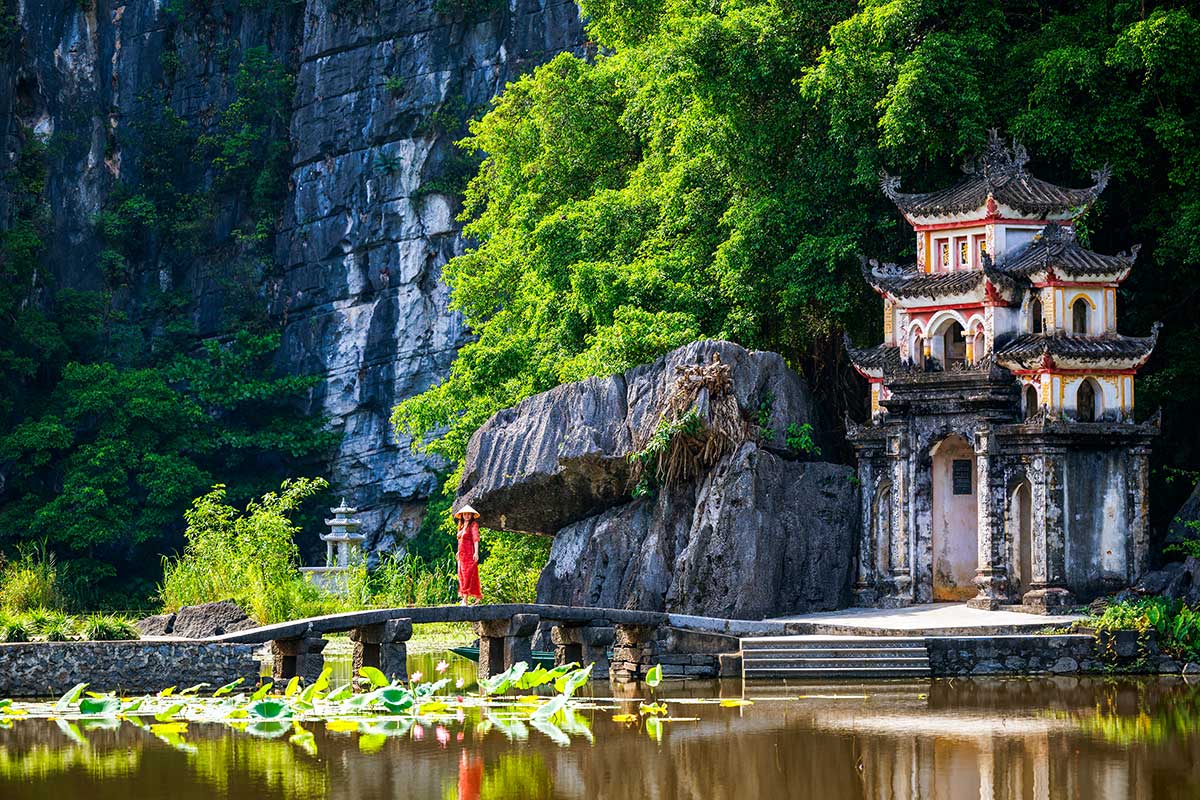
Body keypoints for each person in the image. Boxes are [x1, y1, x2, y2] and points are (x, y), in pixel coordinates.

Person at [453, 504, 483, 605]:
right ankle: (467, 598)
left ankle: (465, 599)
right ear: (462, 515)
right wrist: (458, 552)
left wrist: (476, 552)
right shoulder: (461, 525)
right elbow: (460, 541)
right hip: (461, 555)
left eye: (468, 514)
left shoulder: (473, 525)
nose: (466, 516)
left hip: (469, 553)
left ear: (471, 515)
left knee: (468, 575)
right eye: (465, 514)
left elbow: (476, 539)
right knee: (461, 575)